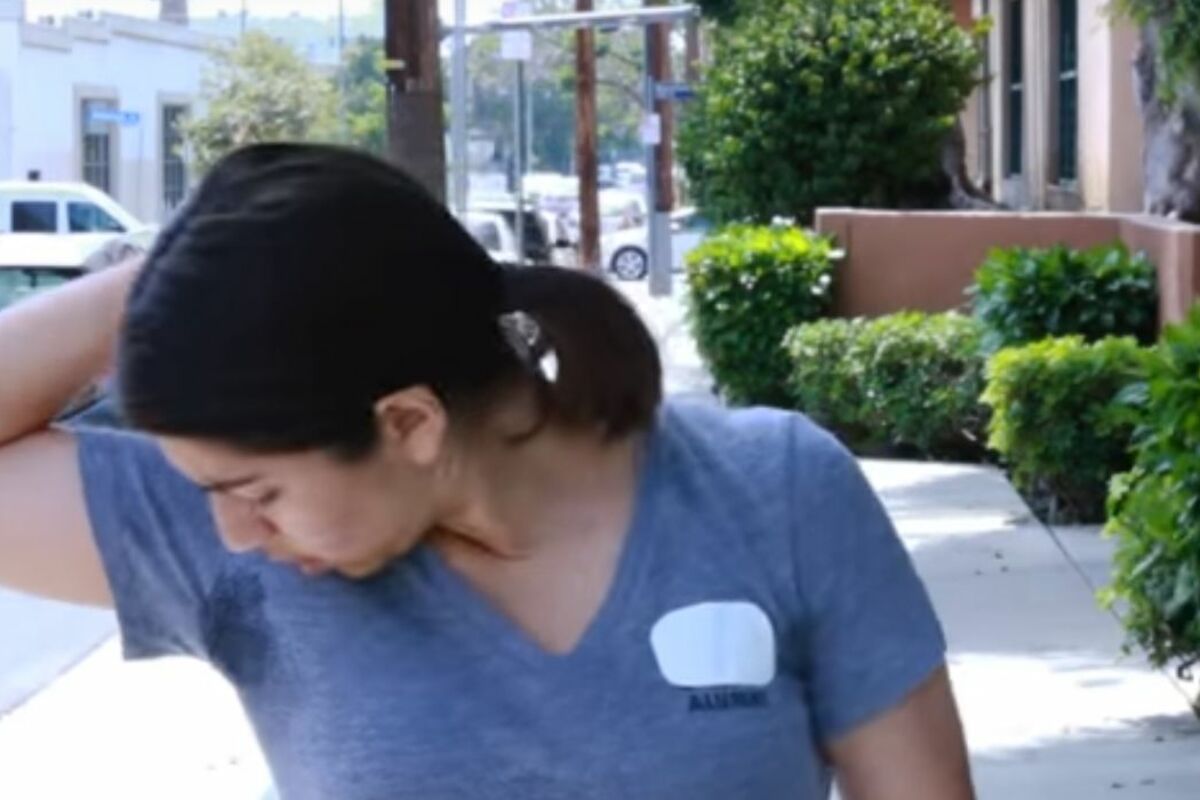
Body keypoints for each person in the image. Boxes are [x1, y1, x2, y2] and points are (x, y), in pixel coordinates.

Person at [0, 144, 974, 799]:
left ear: (408, 422)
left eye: (258, 493)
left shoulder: (775, 492)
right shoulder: (245, 551)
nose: (237, 530)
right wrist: (185, 272)